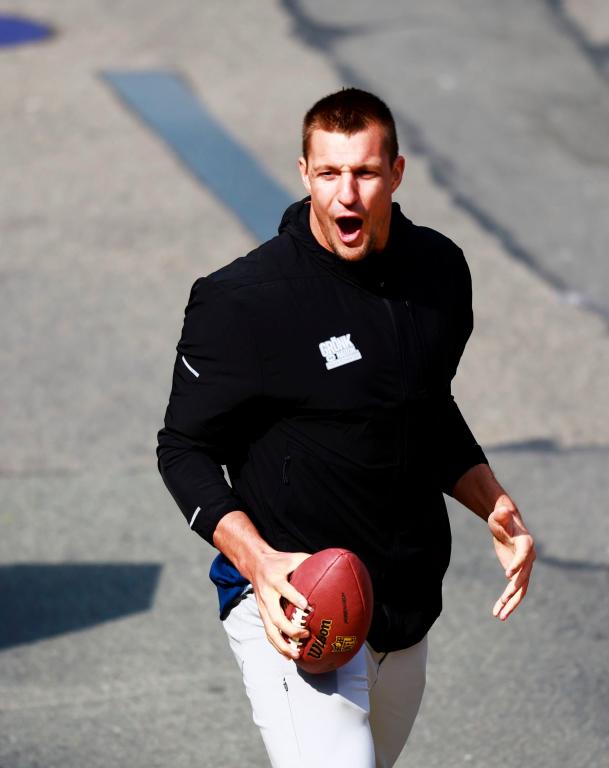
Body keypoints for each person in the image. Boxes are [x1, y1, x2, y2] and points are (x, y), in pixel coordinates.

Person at [156, 87, 535, 767]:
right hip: (299, 608)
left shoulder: (439, 274)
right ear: (304, 174)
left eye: (364, 173)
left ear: (396, 172)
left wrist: (492, 502)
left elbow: (423, 407)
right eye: (329, 174)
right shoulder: (244, 302)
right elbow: (182, 448)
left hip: (404, 610)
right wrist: (260, 563)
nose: (347, 195)